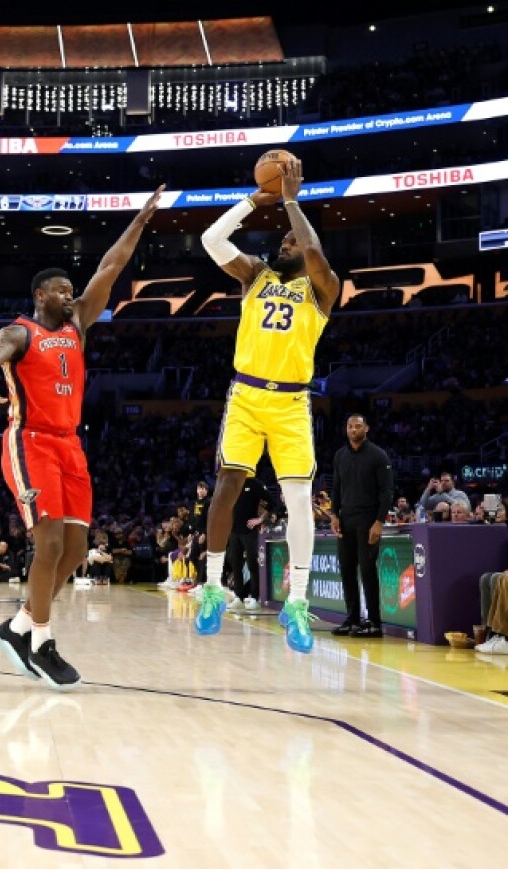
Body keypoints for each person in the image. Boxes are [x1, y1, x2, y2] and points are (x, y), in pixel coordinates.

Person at [0, 186, 163, 689]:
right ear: (40, 295)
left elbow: (110, 268)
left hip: (70, 445)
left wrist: (139, 222)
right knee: (49, 544)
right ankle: (42, 641)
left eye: (71, 289)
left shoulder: (78, 324)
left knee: (76, 550)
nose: (69, 295)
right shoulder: (19, 334)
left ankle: (16, 627)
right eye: (60, 290)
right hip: (29, 441)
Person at [195, 157, 340, 654]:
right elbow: (212, 242)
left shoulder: (322, 289)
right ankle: (213, 588)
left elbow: (316, 251)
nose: (283, 243)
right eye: (282, 240)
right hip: (246, 395)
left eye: (290, 242)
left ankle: (296, 604)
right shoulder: (255, 275)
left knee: (300, 501)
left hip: (292, 403)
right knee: (226, 487)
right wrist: (252, 203)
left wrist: (293, 202)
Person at [329, 413, 394, 637]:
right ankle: (353, 618)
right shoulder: (340, 455)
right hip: (345, 518)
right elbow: (336, 488)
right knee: (347, 570)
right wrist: (334, 516)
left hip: (368, 519)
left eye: (358, 426)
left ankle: (374, 622)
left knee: (367, 571)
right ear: (346, 429)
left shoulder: (378, 455)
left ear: (367, 428)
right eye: (350, 426)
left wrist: (379, 522)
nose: (354, 430)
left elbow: (387, 492)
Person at [225, 474, 269, 611]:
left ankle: (255, 597)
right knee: (236, 565)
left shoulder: (255, 484)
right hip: (234, 532)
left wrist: (260, 519)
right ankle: (239, 596)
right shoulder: (231, 484)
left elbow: (272, 502)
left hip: (249, 532)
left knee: (252, 565)